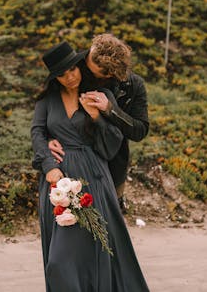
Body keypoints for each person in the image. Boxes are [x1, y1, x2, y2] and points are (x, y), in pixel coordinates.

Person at [31, 41, 149, 291]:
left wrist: (97, 117)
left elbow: (113, 144)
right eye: (61, 74)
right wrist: (49, 164)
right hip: (57, 181)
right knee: (58, 261)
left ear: (79, 66)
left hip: (94, 177)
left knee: (97, 249)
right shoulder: (47, 100)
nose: (69, 77)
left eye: (72, 69)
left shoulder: (101, 96)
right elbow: (37, 134)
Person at [48, 34, 149, 213]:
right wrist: (48, 138)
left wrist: (111, 109)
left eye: (107, 74)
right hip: (73, 165)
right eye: (93, 69)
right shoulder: (71, 70)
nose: (104, 77)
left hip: (113, 166)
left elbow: (140, 130)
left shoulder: (133, 85)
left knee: (112, 224)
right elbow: (48, 112)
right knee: (73, 222)